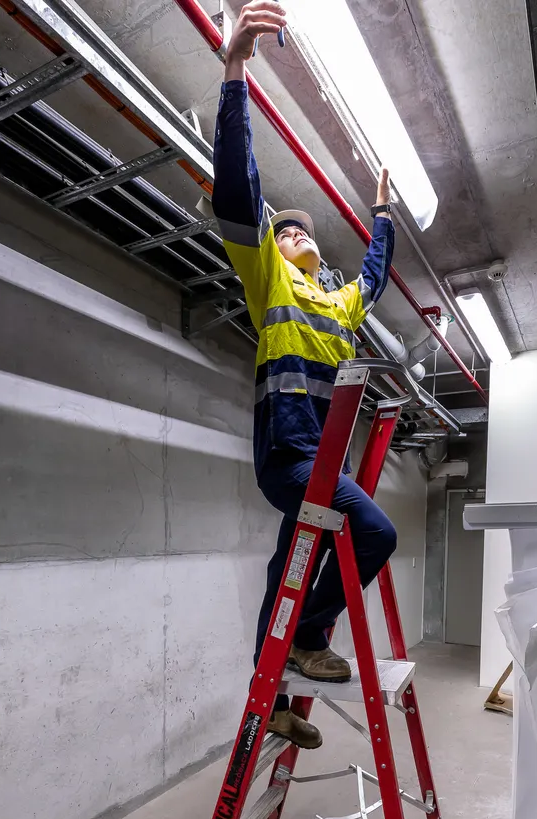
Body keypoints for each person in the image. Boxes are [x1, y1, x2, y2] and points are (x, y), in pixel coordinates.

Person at [212, 0, 397, 750]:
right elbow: (237, 190)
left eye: (302, 231)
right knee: (376, 530)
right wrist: (233, 72)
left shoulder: (339, 301)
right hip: (292, 456)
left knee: (289, 563)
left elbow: (376, 275)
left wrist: (381, 214)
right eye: (283, 232)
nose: (291, 235)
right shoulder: (272, 284)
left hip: (324, 462)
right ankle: (309, 640)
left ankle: (274, 694)